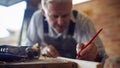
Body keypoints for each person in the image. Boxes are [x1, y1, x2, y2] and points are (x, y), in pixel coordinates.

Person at [25, 0, 107, 62]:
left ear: (71, 9)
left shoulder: (84, 22)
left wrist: (94, 56)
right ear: (43, 12)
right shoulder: (37, 19)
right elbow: (26, 50)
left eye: (65, 15)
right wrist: (41, 51)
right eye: (55, 16)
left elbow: (103, 58)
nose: (60, 22)